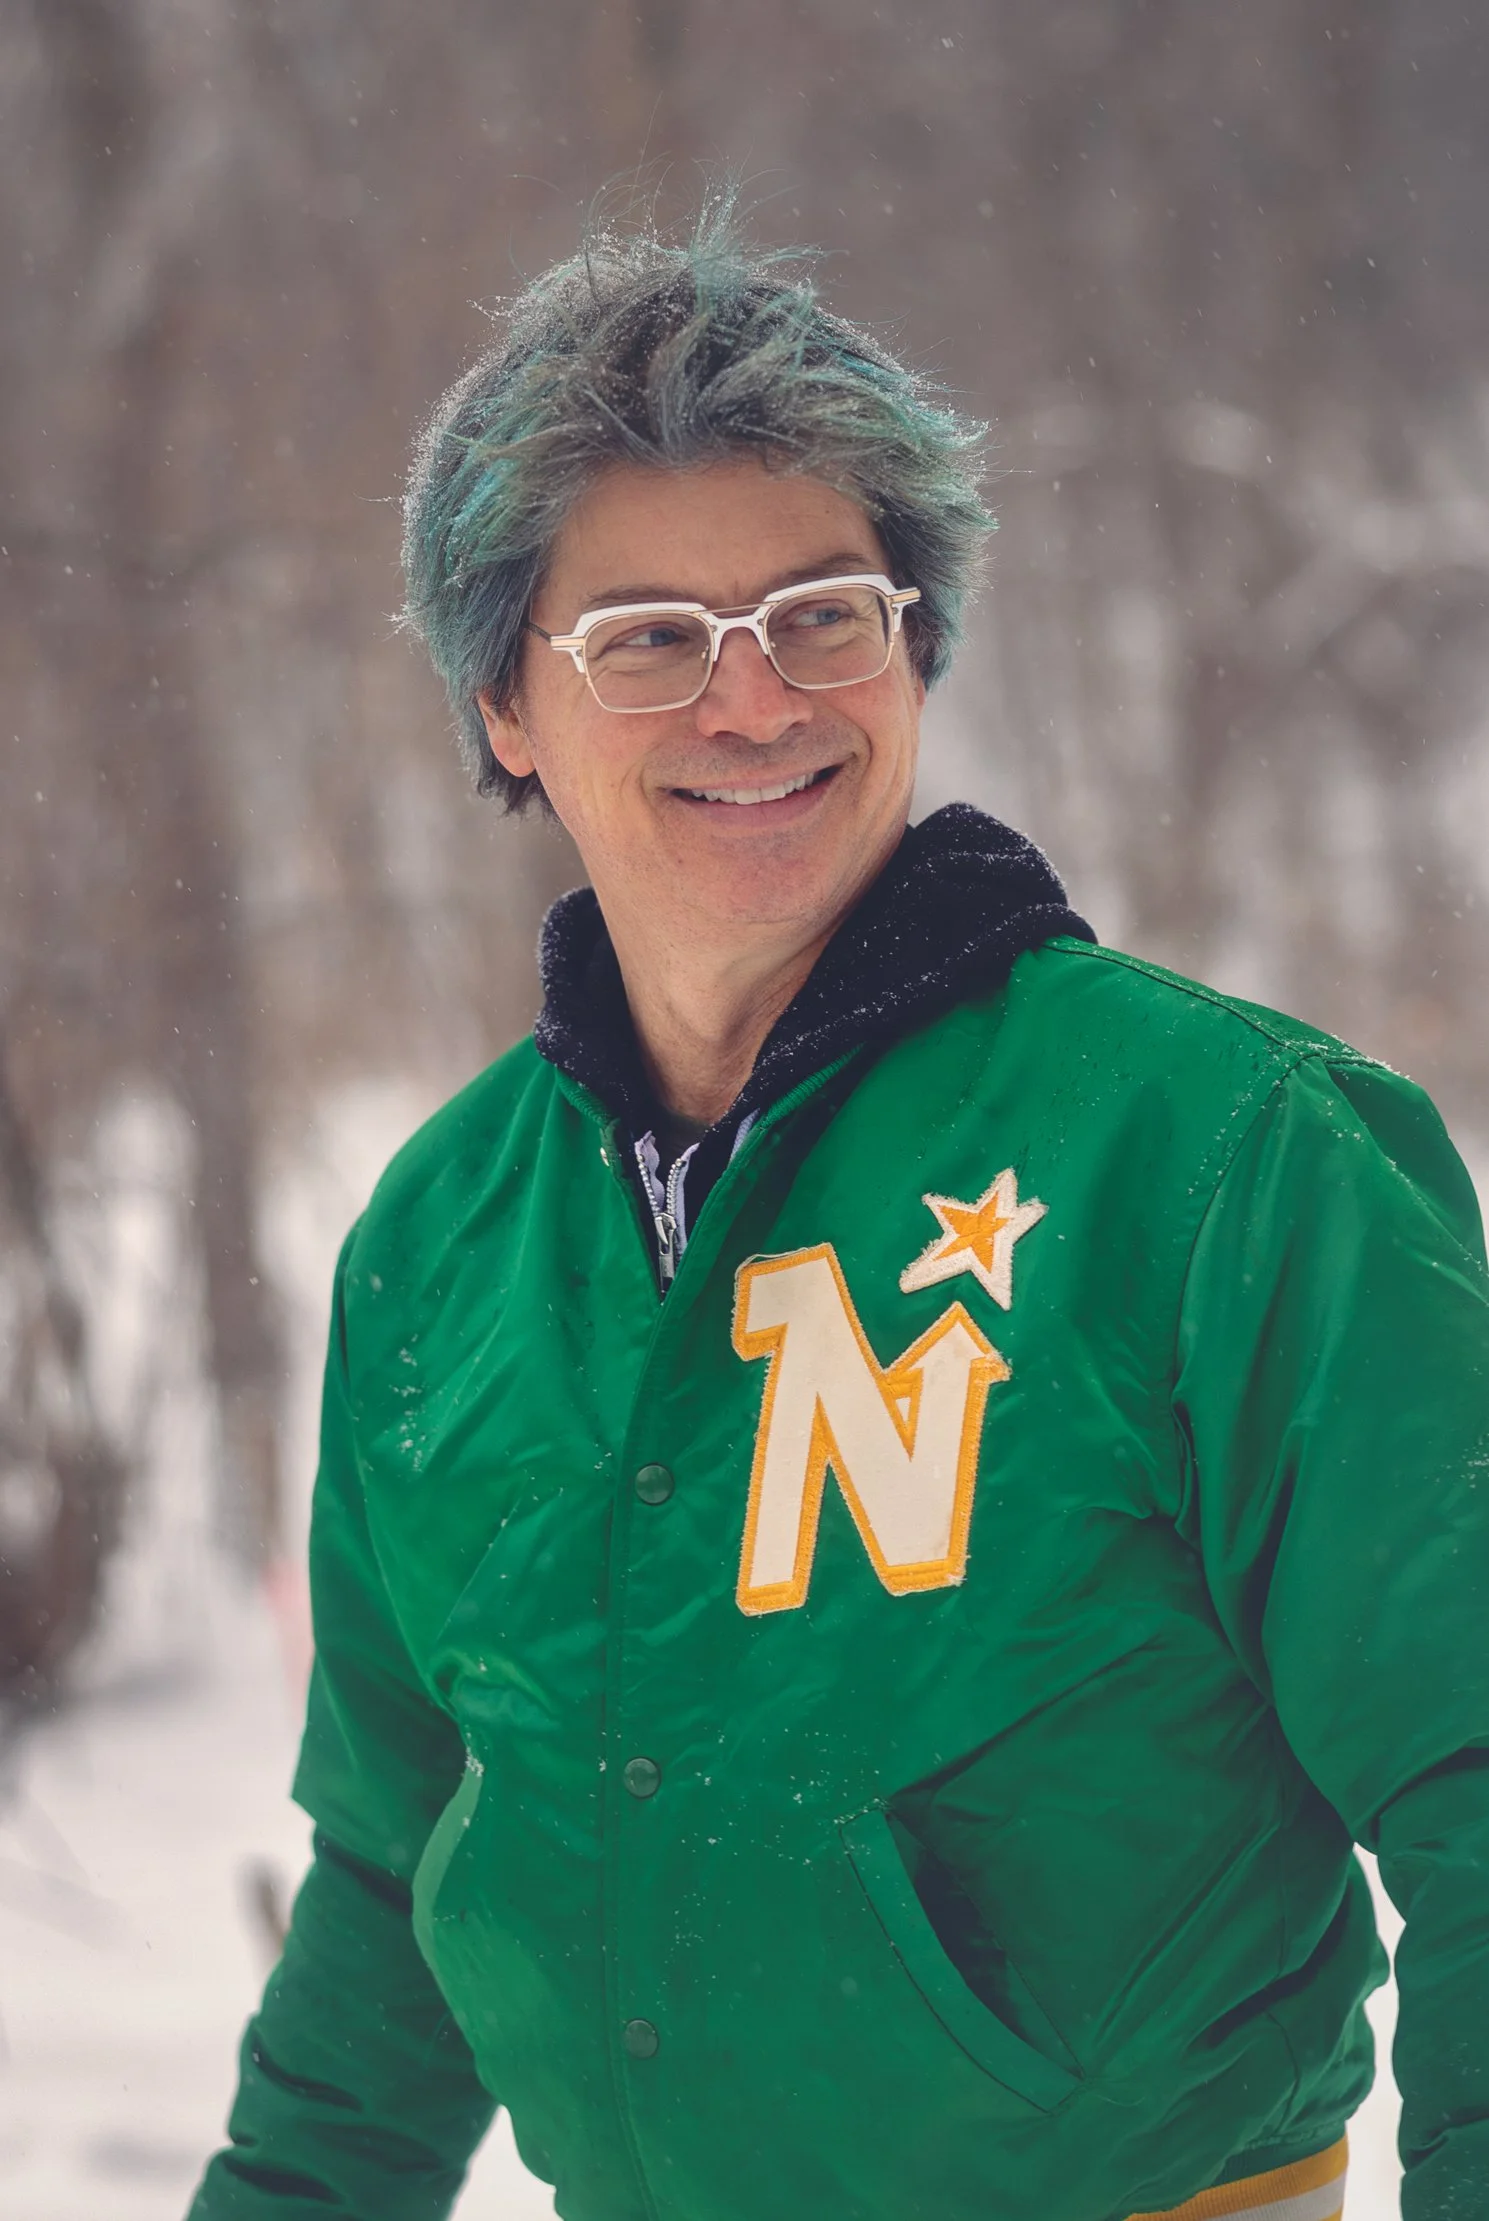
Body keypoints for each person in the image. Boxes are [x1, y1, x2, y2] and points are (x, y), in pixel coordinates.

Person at [188, 207, 1489, 2221]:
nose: (754, 703)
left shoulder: (1226, 1152)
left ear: (918, 646)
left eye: (823, 613)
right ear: (506, 711)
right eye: (647, 644)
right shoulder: (439, 1242)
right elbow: (398, 1886)